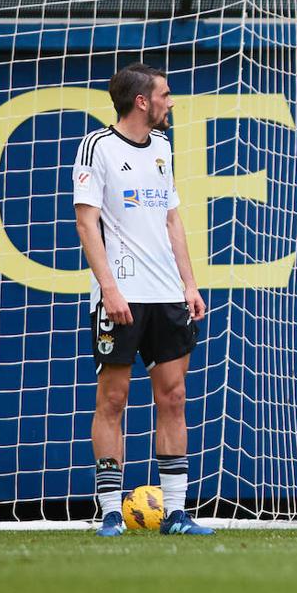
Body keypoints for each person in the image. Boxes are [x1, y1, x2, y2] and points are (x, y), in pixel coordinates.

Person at [73, 64, 211, 537]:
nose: (171, 102)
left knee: (173, 397)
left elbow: (172, 221)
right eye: (165, 95)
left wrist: (189, 285)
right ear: (142, 102)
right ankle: (111, 510)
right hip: (123, 295)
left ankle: (176, 512)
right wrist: (109, 288)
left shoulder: (163, 148)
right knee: (113, 398)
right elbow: (87, 223)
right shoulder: (98, 147)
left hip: (168, 294)